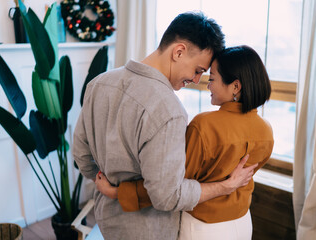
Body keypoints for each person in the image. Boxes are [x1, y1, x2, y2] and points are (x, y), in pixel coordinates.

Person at [73, 12, 257, 240]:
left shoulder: (98, 83)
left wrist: (108, 184)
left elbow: (81, 154)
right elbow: (167, 197)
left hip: (106, 219)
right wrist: (224, 187)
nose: (197, 79)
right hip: (148, 230)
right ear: (178, 52)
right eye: (198, 70)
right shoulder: (169, 110)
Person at [95, 45, 274, 240]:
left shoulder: (204, 126)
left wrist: (118, 193)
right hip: (242, 222)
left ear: (236, 86)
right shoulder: (266, 130)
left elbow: (171, 187)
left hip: (203, 228)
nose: (207, 85)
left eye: (212, 79)